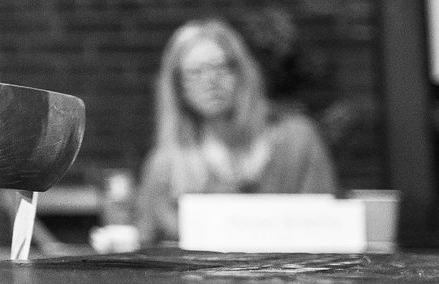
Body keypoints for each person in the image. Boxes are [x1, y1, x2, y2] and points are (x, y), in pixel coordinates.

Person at [135, 18, 337, 243]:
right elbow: (147, 245)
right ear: (177, 88)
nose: (210, 80)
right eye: (195, 72)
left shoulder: (297, 140)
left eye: (219, 66)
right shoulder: (167, 164)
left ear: (242, 72)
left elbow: (326, 230)